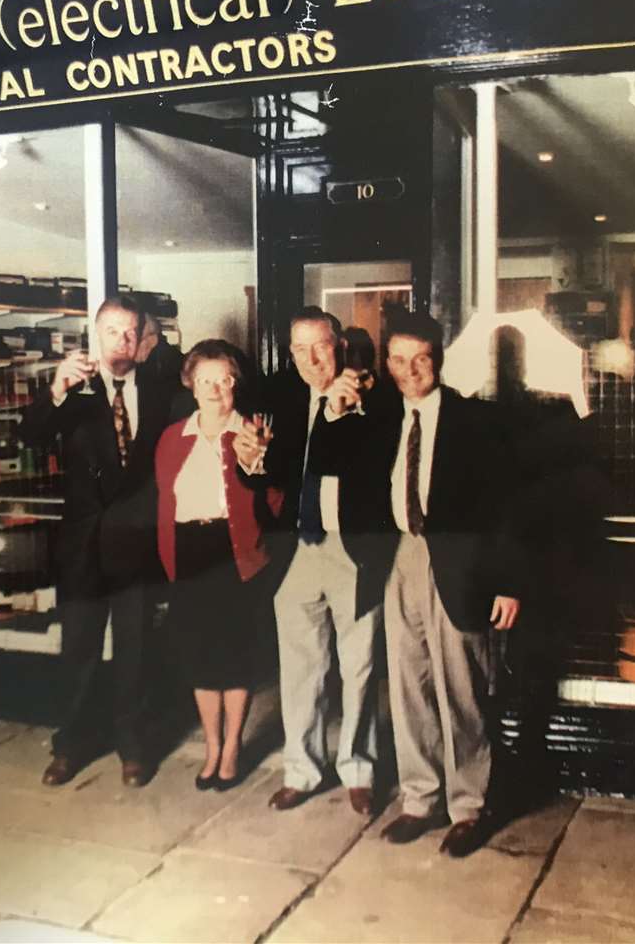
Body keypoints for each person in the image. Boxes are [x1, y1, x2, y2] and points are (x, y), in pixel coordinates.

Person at [360, 310, 523, 858]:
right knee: (408, 687)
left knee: (462, 689)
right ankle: (418, 799)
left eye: (420, 359)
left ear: (439, 360)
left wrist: (507, 583)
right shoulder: (381, 416)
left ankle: (468, 807)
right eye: (399, 360)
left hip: (460, 562)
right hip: (399, 558)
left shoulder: (476, 423)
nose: (410, 371)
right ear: (387, 363)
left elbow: (509, 508)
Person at [24, 295, 176, 788]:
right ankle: (71, 745)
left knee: (136, 651)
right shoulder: (76, 390)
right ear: (96, 335)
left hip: (136, 545)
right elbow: (30, 437)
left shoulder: (160, 390)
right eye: (112, 332)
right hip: (82, 550)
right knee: (80, 650)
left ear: (143, 340)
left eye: (131, 333)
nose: (122, 342)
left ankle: (133, 747)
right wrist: (57, 390)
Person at [260, 308, 387, 818]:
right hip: (296, 552)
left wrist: (341, 416)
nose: (312, 359)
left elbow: (370, 471)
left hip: (352, 551)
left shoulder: (376, 402)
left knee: (358, 668)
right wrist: (253, 462)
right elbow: (267, 476)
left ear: (340, 346)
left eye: (321, 346)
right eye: (299, 349)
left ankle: (358, 768)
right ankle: (303, 770)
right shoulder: (283, 404)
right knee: (300, 669)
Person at [153, 340, 273, 791]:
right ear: (191, 384)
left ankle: (232, 749)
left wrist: (256, 460)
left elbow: (273, 501)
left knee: (235, 656)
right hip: (189, 551)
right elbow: (164, 501)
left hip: (235, 552)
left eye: (223, 380)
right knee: (200, 655)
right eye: (205, 380)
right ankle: (211, 746)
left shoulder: (252, 431)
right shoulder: (172, 438)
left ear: (235, 385)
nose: (214, 389)